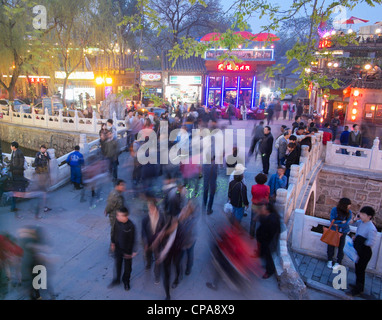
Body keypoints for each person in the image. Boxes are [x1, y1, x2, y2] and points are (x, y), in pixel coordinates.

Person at [348, 206, 378, 297]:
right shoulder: (361, 222)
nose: (361, 215)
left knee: (361, 271)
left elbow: (370, 243)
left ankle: (358, 289)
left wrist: (359, 240)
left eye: (363, 214)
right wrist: (355, 219)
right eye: (360, 213)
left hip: (365, 252)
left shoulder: (372, 228)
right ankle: (357, 285)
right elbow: (351, 224)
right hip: (359, 249)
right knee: (357, 269)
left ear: (369, 216)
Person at [108, 207, 137, 291]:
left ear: (126, 216)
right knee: (118, 265)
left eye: (120, 215)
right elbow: (113, 232)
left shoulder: (131, 226)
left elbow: (133, 239)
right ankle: (117, 280)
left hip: (127, 251)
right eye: (117, 215)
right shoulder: (117, 222)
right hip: (118, 248)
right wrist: (112, 242)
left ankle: (126, 281)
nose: (117, 217)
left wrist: (133, 251)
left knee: (128, 268)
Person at [141, 197, 165, 284]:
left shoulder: (161, 216)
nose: (150, 209)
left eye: (152, 207)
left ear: (155, 207)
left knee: (157, 259)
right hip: (148, 241)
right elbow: (143, 231)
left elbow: (164, 229)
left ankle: (157, 276)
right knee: (148, 255)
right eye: (149, 207)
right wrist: (145, 242)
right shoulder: (145, 218)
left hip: (157, 242)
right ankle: (148, 263)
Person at [256, 202, 281, 279]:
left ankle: (270, 271)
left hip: (269, 242)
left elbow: (270, 233)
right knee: (264, 253)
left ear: (267, 210)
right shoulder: (266, 216)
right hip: (264, 240)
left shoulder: (272, 220)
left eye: (263, 208)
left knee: (269, 257)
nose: (261, 210)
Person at [326, 198, 352, 270]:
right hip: (334, 231)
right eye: (348, 205)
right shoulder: (334, 210)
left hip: (343, 232)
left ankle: (338, 262)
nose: (349, 207)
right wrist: (341, 222)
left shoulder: (349, 212)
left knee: (341, 247)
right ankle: (330, 260)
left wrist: (338, 223)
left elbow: (346, 223)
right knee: (331, 245)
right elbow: (332, 220)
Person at [9, 141, 26, 216]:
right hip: (15, 174)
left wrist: (13, 168)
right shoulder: (13, 152)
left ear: (14, 146)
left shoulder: (19, 153)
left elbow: (21, 164)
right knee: (16, 189)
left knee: (17, 189)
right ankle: (14, 205)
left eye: (11, 146)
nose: (10, 147)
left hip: (18, 174)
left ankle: (14, 205)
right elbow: (13, 162)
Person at [250, 173, 270, 238]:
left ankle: (251, 234)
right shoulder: (267, 188)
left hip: (255, 204)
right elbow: (267, 195)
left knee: (253, 220)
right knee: (262, 220)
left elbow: (253, 194)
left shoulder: (253, 187)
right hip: (263, 205)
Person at [33, 144, 52, 215]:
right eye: (42, 148)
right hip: (40, 173)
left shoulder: (46, 154)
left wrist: (47, 156)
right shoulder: (38, 154)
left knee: (43, 189)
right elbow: (35, 163)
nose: (43, 150)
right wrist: (39, 158)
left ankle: (43, 206)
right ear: (40, 149)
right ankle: (43, 206)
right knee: (42, 189)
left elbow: (49, 159)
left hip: (45, 173)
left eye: (44, 149)